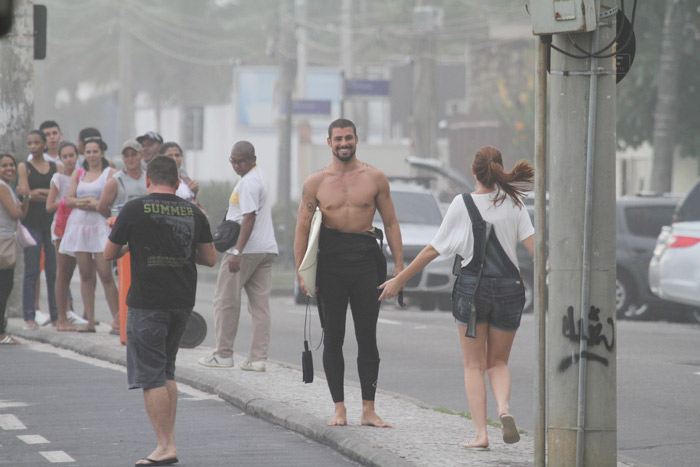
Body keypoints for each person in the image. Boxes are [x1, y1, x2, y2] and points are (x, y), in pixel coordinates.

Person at [378, 146, 535, 450]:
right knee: (498, 362)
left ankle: (481, 434)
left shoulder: (461, 204)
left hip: (472, 290)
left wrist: (399, 279)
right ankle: (504, 409)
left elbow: (431, 250)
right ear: (499, 169)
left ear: (474, 172)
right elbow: (535, 250)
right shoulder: (515, 202)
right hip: (509, 288)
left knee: (473, 365)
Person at [104, 155, 216, 466]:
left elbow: (109, 253)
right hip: (182, 303)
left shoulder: (134, 209)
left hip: (147, 303)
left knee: (151, 376)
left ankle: (165, 445)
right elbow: (209, 258)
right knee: (167, 371)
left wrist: (133, 244)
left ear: (148, 181)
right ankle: (168, 440)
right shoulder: (193, 212)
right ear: (178, 182)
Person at [293, 118, 404, 428]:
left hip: (366, 262)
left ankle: (368, 409)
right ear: (329, 142)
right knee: (334, 338)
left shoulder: (375, 178)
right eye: (338, 138)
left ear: (357, 139)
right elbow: (302, 230)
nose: (344, 143)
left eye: (348, 138)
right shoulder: (316, 182)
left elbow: (392, 223)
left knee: (368, 337)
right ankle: (339, 408)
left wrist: (399, 266)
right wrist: (302, 272)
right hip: (330, 265)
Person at [198, 141, 278, 372]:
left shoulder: (249, 183)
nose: (236, 165)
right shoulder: (259, 176)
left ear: (253, 159)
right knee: (260, 306)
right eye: (233, 161)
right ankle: (257, 359)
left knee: (225, 301)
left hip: (246, 251)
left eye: (241, 161)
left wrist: (237, 251)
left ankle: (223, 354)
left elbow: (249, 217)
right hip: (266, 249)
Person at [60, 138, 119, 333]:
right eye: (88, 151)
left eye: (95, 151)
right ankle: (90, 321)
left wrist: (98, 205)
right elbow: (68, 199)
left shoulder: (110, 173)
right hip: (80, 225)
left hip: (101, 225)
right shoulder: (79, 173)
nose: (92, 155)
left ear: (102, 152)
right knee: (85, 274)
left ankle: (118, 320)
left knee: (105, 273)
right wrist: (86, 202)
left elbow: (114, 199)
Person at [16, 130, 59, 329]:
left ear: (44, 144)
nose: (33, 147)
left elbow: (58, 195)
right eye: (30, 143)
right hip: (31, 223)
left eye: (36, 143)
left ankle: (57, 315)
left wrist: (40, 193)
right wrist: (45, 194)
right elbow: (26, 193)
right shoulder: (25, 166)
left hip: (51, 224)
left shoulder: (54, 166)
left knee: (53, 271)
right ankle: (29, 316)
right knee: (32, 270)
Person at [46, 142, 89, 331]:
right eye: (65, 156)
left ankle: (86, 315)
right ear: (60, 159)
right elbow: (49, 205)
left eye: (72, 155)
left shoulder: (82, 174)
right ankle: (61, 317)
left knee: (80, 272)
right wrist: (69, 202)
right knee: (62, 273)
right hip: (62, 229)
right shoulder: (58, 178)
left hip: (79, 227)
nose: (69, 159)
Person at [0, 154, 29, 344]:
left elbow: (22, 214)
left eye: (11, 165)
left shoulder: (7, 187)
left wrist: (24, 197)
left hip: (7, 238)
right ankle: (1, 333)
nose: (9, 168)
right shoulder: (2, 187)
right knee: (4, 287)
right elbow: (15, 213)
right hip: (3, 241)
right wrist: (23, 198)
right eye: (4, 165)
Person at [97, 140, 147, 219]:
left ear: (141, 155)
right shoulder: (115, 181)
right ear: (123, 158)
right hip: (124, 228)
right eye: (126, 156)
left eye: (134, 155)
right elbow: (101, 207)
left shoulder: (149, 178)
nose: (130, 159)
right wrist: (116, 220)